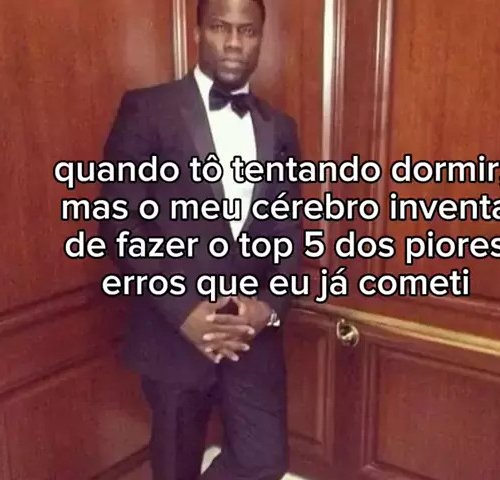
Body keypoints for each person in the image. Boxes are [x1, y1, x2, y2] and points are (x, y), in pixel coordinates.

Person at [98, 0, 302, 479]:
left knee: (265, 460)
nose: (233, 43)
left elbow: (289, 230)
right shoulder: (147, 109)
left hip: (250, 337)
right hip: (173, 333)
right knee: (175, 468)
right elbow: (118, 224)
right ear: (197, 33)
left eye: (247, 31)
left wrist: (269, 306)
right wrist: (183, 311)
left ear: (260, 38)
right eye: (219, 27)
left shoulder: (280, 128)